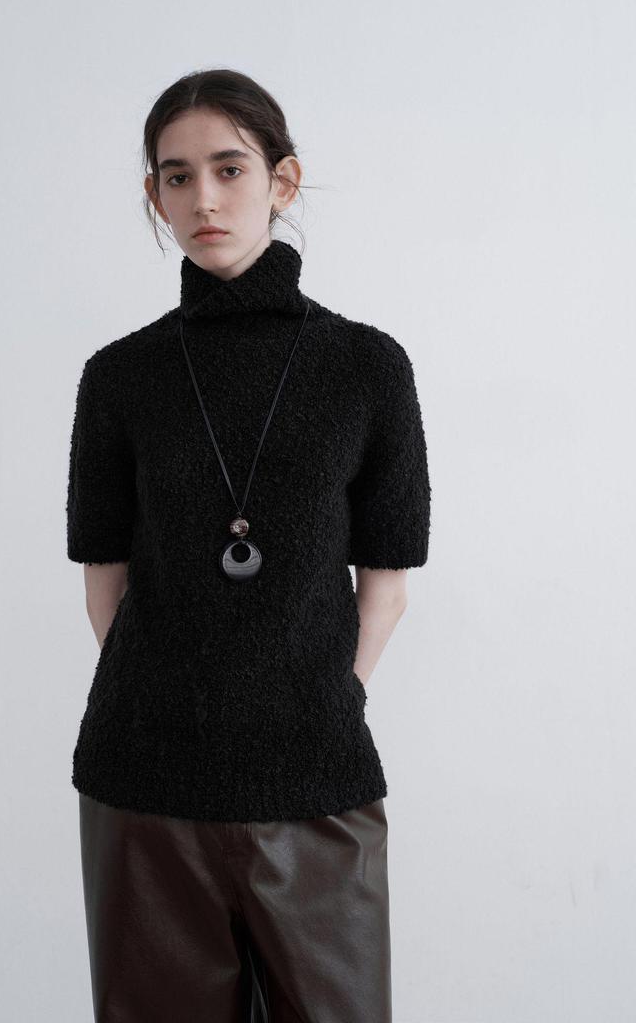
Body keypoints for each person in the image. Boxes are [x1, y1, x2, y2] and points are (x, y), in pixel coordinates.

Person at [66, 68, 431, 1023]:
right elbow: (105, 582)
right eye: (176, 177)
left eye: (229, 169)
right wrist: (174, 701)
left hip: (316, 778)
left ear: (283, 180)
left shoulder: (367, 367)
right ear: (155, 196)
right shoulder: (120, 377)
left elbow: (386, 583)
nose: (204, 199)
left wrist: (317, 702)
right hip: (143, 784)